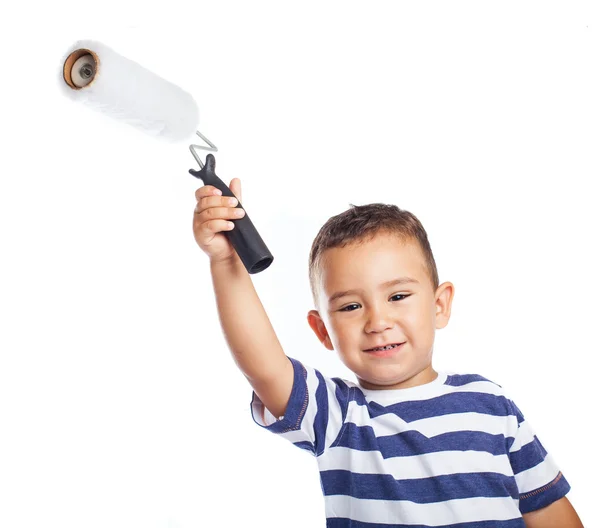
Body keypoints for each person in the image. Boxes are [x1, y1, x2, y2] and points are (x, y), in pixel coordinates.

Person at [193, 178, 584, 527]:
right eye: (350, 306)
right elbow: (263, 367)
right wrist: (227, 260)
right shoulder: (337, 414)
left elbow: (550, 512)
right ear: (322, 330)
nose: (377, 321)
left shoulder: (492, 404)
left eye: (397, 296)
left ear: (439, 305)